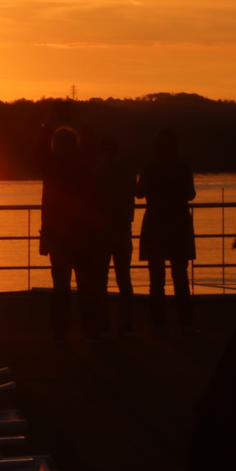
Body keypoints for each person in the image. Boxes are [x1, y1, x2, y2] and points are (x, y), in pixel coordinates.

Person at [36, 105, 108, 340]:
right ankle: (92, 331)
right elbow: (93, 149)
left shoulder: (50, 167)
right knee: (87, 287)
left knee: (61, 288)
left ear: (55, 145)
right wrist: (84, 123)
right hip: (85, 234)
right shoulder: (84, 165)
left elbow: (39, 153)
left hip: (57, 235)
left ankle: (59, 332)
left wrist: (47, 125)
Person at [136, 128, 195, 329]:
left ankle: (158, 323)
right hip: (179, 223)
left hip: (155, 223)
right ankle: (185, 323)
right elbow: (190, 194)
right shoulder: (183, 166)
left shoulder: (149, 166)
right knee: (181, 277)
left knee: (156, 279)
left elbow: (139, 193)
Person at [95, 136, 138, 332]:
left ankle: (103, 321)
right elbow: (138, 193)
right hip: (121, 229)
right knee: (124, 278)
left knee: (101, 278)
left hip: (102, 230)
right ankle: (127, 321)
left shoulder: (96, 172)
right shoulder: (128, 172)